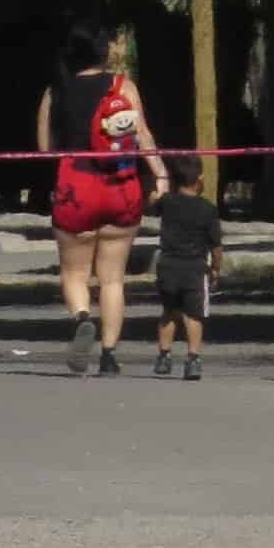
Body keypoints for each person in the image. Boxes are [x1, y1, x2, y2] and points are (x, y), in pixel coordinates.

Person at [36, 24, 170, 376]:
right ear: (102, 52)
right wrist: (160, 174)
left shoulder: (56, 92)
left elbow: (45, 149)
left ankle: (82, 317)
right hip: (120, 185)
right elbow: (142, 135)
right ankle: (109, 355)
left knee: (74, 272)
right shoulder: (122, 87)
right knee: (112, 278)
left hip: (75, 185)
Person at [150, 165, 222, 380]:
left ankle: (164, 355)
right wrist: (216, 269)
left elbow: (153, 202)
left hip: (168, 264)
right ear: (199, 179)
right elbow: (216, 247)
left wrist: (156, 192)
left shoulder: (168, 202)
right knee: (194, 314)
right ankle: (193, 359)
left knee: (169, 311)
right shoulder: (208, 209)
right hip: (195, 267)